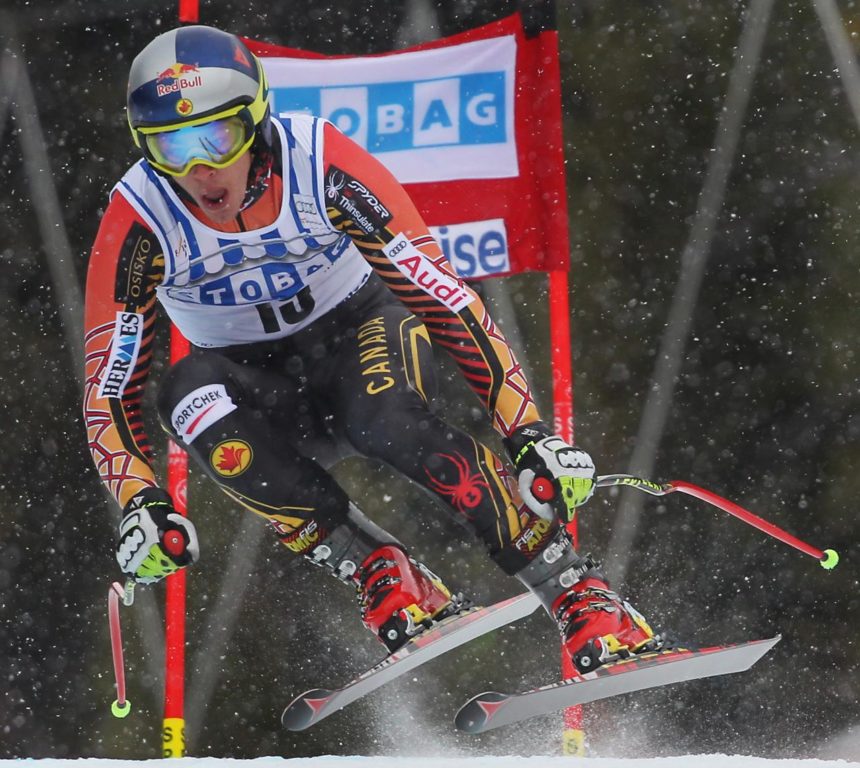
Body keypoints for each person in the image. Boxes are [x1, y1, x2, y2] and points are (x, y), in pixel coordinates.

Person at [83, 25, 661, 673]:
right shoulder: (139, 217)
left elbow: (440, 295)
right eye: (170, 147)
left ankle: (578, 592)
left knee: (385, 419)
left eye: (215, 140)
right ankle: (382, 570)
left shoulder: (319, 163)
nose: (198, 171)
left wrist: (527, 434)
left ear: (253, 123)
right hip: (260, 387)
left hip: (358, 337)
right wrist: (142, 502)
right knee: (184, 394)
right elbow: (109, 386)